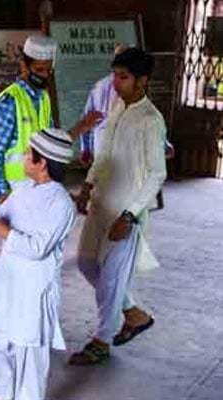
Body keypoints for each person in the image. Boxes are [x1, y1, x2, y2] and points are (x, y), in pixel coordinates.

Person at [69, 48, 167, 365]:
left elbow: (157, 174)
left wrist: (130, 214)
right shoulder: (115, 106)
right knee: (86, 264)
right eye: (114, 75)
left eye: (123, 77)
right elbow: (105, 153)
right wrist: (86, 186)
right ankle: (133, 314)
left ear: (142, 81)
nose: (115, 83)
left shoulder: (151, 120)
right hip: (100, 202)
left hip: (126, 213)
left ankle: (101, 339)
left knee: (111, 279)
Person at [0, 128, 76, 400]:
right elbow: (0, 221)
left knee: (29, 359)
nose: (23, 156)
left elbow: (37, 248)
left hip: (32, 292)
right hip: (6, 285)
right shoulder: (22, 190)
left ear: (42, 163)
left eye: (29, 153)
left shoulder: (62, 204)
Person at [0, 35, 101, 204]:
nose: (45, 75)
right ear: (24, 65)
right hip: (16, 191)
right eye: (39, 70)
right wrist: (1, 195)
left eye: (49, 70)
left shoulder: (44, 98)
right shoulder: (10, 101)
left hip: (42, 188)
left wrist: (83, 126)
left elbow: (52, 143)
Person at [80, 45, 175, 166]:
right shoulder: (135, 85)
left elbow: (86, 119)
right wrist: (164, 144)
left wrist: (85, 148)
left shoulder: (99, 86)